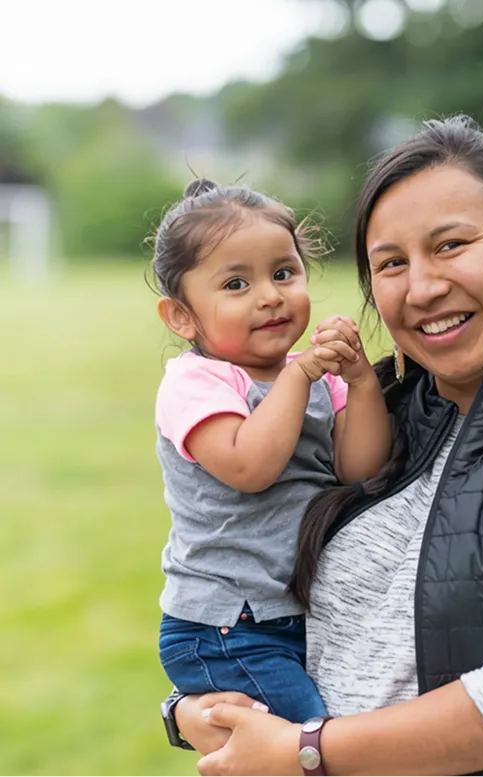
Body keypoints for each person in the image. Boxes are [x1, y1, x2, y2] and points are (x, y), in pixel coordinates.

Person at [164, 117, 483, 777]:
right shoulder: (368, 413)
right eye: (390, 263)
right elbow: (254, 591)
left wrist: (304, 751)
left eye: (451, 245)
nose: (421, 286)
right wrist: (187, 707)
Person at [152, 179, 392, 725]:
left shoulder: (310, 378)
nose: (269, 295)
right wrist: (302, 374)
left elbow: (358, 469)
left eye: (284, 273)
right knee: (308, 737)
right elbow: (250, 468)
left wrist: (361, 383)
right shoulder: (197, 382)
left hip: (290, 617)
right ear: (182, 317)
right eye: (236, 284)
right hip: (225, 626)